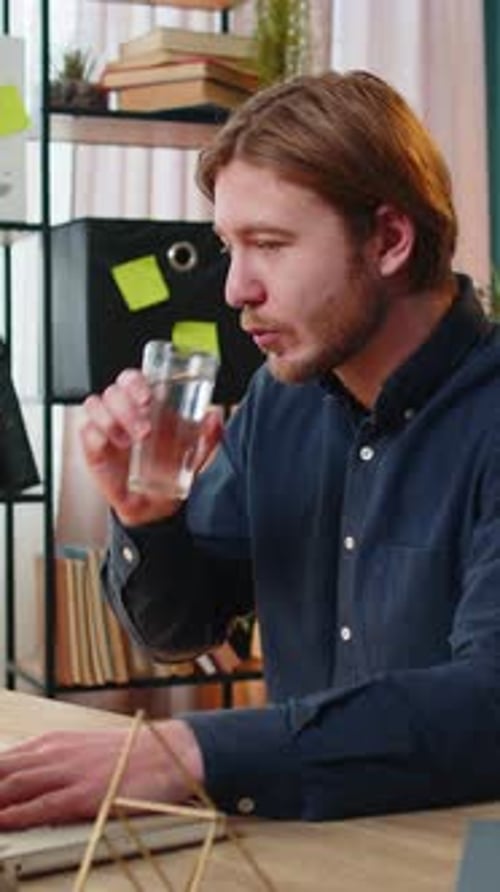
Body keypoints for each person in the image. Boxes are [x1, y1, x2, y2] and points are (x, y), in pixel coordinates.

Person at [1, 68, 500, 830]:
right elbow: (185, 630)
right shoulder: (280, 399)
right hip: (313, 849)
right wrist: (146, 517)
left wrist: (191, 751)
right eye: (229, 247)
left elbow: (488, 705)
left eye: (268, 245)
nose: (236, 288)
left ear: (391, 240)